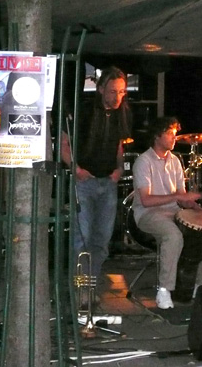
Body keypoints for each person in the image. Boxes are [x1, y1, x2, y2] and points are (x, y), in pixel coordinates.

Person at [131, 117, 202, 309]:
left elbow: (181, 197)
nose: (175, 138)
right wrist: (177, 197)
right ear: (157, 136)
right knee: (173, 235)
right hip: (148, 215)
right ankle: (164, 290)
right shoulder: (143, 161)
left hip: (173, 212)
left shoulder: (175, 161)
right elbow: (146, 200)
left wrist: (197, 209)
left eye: (175, 133)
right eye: (170, 134)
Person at [61, 66, 132, 286]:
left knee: (102, 240)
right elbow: (64, 141)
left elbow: (119, 144)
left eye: (121, 92)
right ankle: (79, 290)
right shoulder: (84, 110)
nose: (117, 96)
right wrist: (76, 169)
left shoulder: (122, 113)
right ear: (101, 89)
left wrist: (119, 169)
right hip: (85, 181)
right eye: (113, 91)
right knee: (81, 239)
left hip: (108, 182)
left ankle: (88, 288)